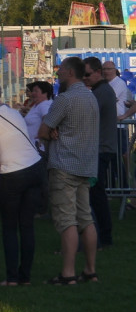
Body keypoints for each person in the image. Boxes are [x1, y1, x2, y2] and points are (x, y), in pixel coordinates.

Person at [38, 56, 99, 284]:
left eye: (61, 70)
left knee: (67, 221)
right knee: (86, 219)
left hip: (64, 165)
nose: (58, 73)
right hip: (85, 165)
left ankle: (68, 273)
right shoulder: (91, 97)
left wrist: (52, 132)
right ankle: (90, 271)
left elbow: (43, 131)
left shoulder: (65, 99)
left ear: (70, 72)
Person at [0, 90, 42, 286]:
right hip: (35, 166)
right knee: (27, 226)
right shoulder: (11, 111)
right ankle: (25, 277)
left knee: (10, 228)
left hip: (13, 172)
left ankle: (12, 278)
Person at [82, 57, 116, 248]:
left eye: (87, 74)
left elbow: (84, 113)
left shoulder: (102, 92)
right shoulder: (98, 91)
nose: (85, 78)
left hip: (101, 150)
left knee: (97, 195)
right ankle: (100, 235)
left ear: (97, 72)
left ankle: (104, 236)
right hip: (100, 149)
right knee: (95, 194)